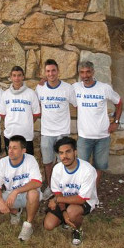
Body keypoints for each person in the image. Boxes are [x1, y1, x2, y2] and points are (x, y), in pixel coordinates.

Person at [72, 61, 123, 186]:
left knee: (98, 166)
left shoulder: (104, 88)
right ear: (79, 74)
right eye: (82, 72)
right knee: (82, 167)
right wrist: (44, 82)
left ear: (93, 72)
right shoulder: (75, 88)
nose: (85, 75)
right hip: (84, 136)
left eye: (88, 72)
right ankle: (82, 191)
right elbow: (58, 90)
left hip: (102, 136)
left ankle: (93, 192)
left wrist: (116, 122)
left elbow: (119, 102)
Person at [44, 136, 98, 246]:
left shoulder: (87, 170)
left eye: (68, 152)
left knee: (72, 212)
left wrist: (57, 200)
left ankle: (77, 230)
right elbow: (58, 192)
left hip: (85, 201)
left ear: (75, 152)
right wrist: (63, 211)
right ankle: (66, 220)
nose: (65, 156)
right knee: (48, 225)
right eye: (61, 153)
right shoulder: (57, 169)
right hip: (64, 200)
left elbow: (81, 199)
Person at [36, 59, 77, 201]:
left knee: (64, 161)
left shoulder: (67, 88)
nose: (51, 74)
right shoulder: (39, 88)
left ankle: (63, 188)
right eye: (48, 71)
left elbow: (76, 104)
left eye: (53, 70)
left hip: (62, 132)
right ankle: (50, 187)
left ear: (58, 71)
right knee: (48, 162)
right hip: (46, 132)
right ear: (45, 73)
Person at [0, 135, 42, 241]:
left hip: (27, 194)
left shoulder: (30, 160)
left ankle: (28, 225)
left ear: (23, 150)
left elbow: (37, 182)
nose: (10, 151)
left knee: (33, 193)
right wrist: (0, 201)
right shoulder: (1, 164)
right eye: (9, 147)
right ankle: (15, 211)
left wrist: (16, 191)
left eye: (14, 148)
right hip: (11, 195)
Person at [0, 66, 40, 155]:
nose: (17, 78)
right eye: (14, 75)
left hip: (26, 136)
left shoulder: (31, 93)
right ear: (11, 77)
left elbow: (36, 114)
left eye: (19, 75)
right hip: (10, 135)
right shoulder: (5, 94)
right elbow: (3, 115)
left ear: (23, 77)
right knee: (11, 162)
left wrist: (26, 123)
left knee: (27, 164)